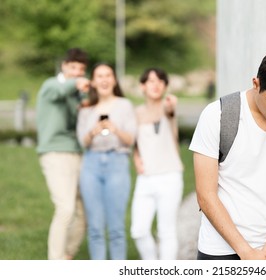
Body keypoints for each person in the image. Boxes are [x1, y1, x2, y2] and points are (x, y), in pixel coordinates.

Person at [189, 49, 266, 260]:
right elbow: (205, 195)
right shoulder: (217, 115)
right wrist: (246, 252)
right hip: (221, 250)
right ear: (256, 84)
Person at [76, 63, 137, 260]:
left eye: (108, 75)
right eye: (99, 76)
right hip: (91, 165)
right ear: (93, 82)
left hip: (117, 162)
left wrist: (115, 128)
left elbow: (131, 140)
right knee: (95, 227)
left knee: (116, 228)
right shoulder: (86, 108)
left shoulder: (124, 105)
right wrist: (93, 131)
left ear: (114, 80)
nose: (104, 79)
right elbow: (82, 142)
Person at [36, 48, 90, 260]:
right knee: (65, 209)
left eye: (81, 69)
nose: (77, 73)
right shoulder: (51, 85)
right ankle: (55, 264)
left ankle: (66, 256)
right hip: (55, 153)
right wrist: (77, 84)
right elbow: (60, 92)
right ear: (64, 65)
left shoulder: (78, 93)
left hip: (77, 153)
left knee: (84, 213)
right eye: (74, 67)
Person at [130, 67, 184, 260]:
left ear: (165, 87)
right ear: (142, 86)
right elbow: (134, 143)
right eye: (151, 81)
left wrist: (170, 105)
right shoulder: (136, 113)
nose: (156, 84)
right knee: (138, 230)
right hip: (145, 178)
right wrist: (137, 160)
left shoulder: (168, 106)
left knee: (166, 231)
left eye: (161, 81)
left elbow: (170, 111)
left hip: (170, 176)